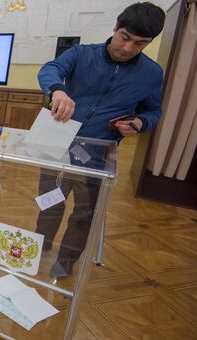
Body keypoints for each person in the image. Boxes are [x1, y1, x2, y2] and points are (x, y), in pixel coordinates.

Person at [36, 2, 165, 278]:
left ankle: (66, 261)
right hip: (56, 144)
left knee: (85, 211)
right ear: (116, 26)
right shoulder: (82, 54)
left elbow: (153, 110)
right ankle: (40, 244)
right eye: (125, 37)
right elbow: (50, 69)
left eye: (140, 44)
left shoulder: (152, 74)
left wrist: (141, 123)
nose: (128, 48)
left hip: (99, 153)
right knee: (49, 200)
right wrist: (57, 91)